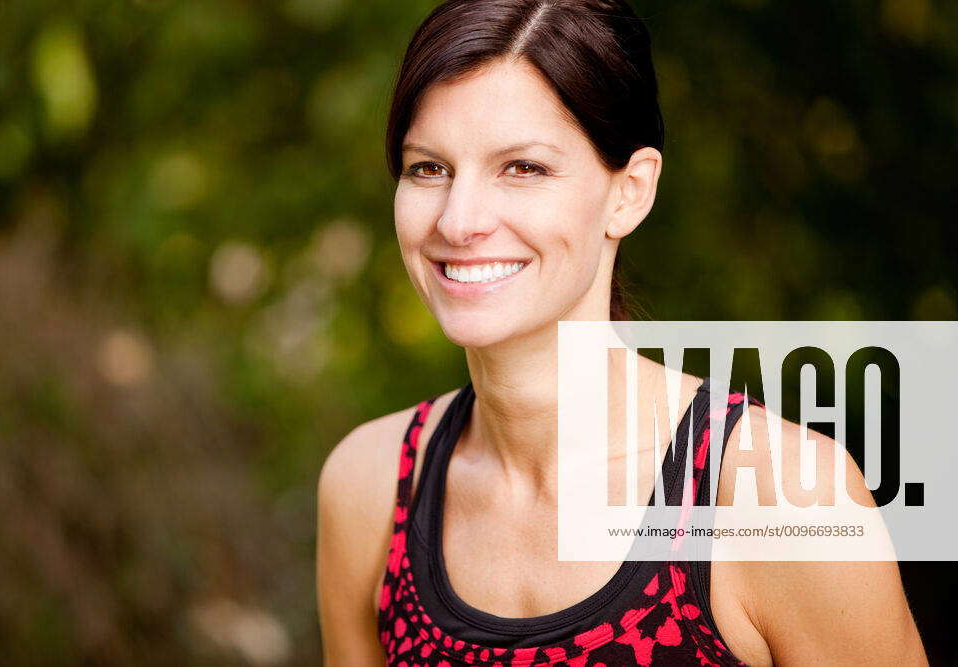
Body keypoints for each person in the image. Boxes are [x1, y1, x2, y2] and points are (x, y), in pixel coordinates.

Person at [316, 1, 928, 664]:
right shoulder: (371, 485)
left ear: (629, 192)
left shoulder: (780, 498)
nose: (460, 220)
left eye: (524, 168)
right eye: (428, 167)